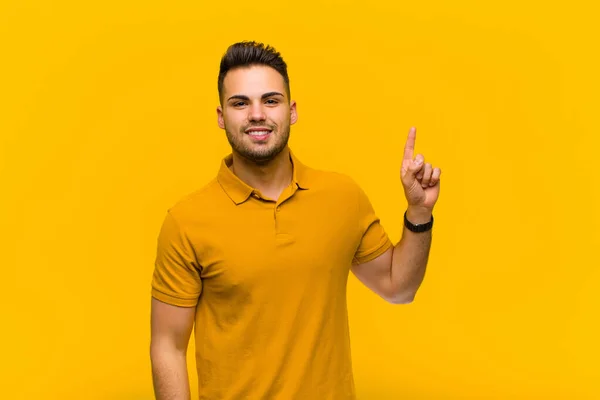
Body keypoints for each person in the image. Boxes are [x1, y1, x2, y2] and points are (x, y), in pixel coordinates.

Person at [149, 41, 441, 400]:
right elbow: (168, 345)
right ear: (221, 116)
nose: (257, 114)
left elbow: (400, 287)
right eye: (240, 103)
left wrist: (419, 213)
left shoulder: (341, 197)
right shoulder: (186, 221)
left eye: (270, 100)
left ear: (292, 110)